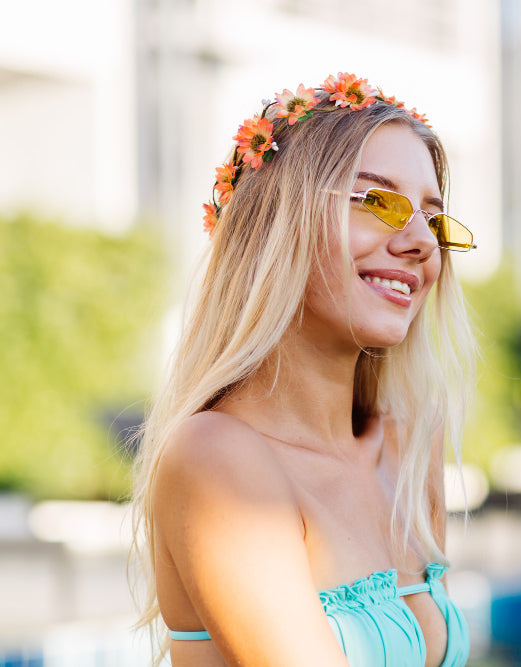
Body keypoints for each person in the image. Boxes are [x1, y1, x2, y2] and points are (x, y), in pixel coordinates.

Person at [130, 72, 477, 667]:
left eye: (433, 217)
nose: (421, 241)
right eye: (380, 202)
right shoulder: (216, 457)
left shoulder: (409, 444)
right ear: (278, 223)